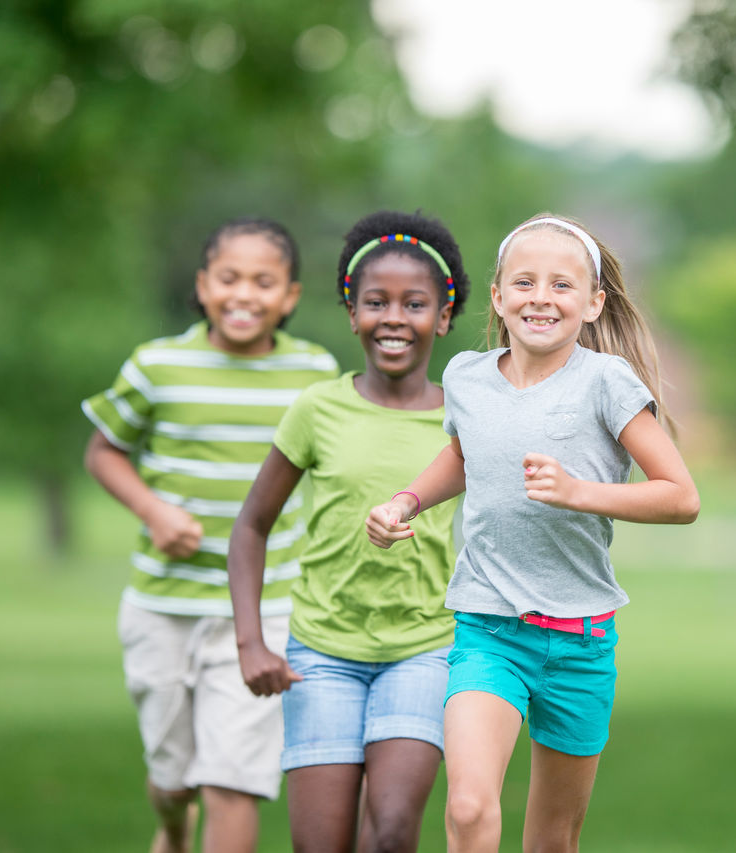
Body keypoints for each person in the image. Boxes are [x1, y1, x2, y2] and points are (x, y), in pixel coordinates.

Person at [366, 214, 700, 852]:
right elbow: (467, 456)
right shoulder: (466, 376)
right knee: (467, 807)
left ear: (594, 304)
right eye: (523, 282)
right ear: (497, 295)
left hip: (580, 640)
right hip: (489, 626)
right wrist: (405, 502)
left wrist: (580, 493)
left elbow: (681, 497)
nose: (540, 297)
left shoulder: (606, 382)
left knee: (551, 841)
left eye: (561, 285)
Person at [82, 218, 338, 853]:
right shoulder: (157, 365)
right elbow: (103, 452)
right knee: (173, 780)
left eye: (263, 282)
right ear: (203, 286)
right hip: (163, 606)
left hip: (264, 608)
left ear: (290, 297)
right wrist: (154, 511)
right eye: (228, 279)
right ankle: (172, 827)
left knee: (233, 780)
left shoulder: (314, 372)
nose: (243, 295)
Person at [227, 211, 471, 853]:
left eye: (414, 303)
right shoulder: (317, 408)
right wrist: (252, 643)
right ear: (351, 313)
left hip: (423, 649)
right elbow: (251, 526)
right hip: (321, 654)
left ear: (443, 317)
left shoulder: (464, 420)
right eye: (376, 302)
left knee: (391, 832)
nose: (394, 317)